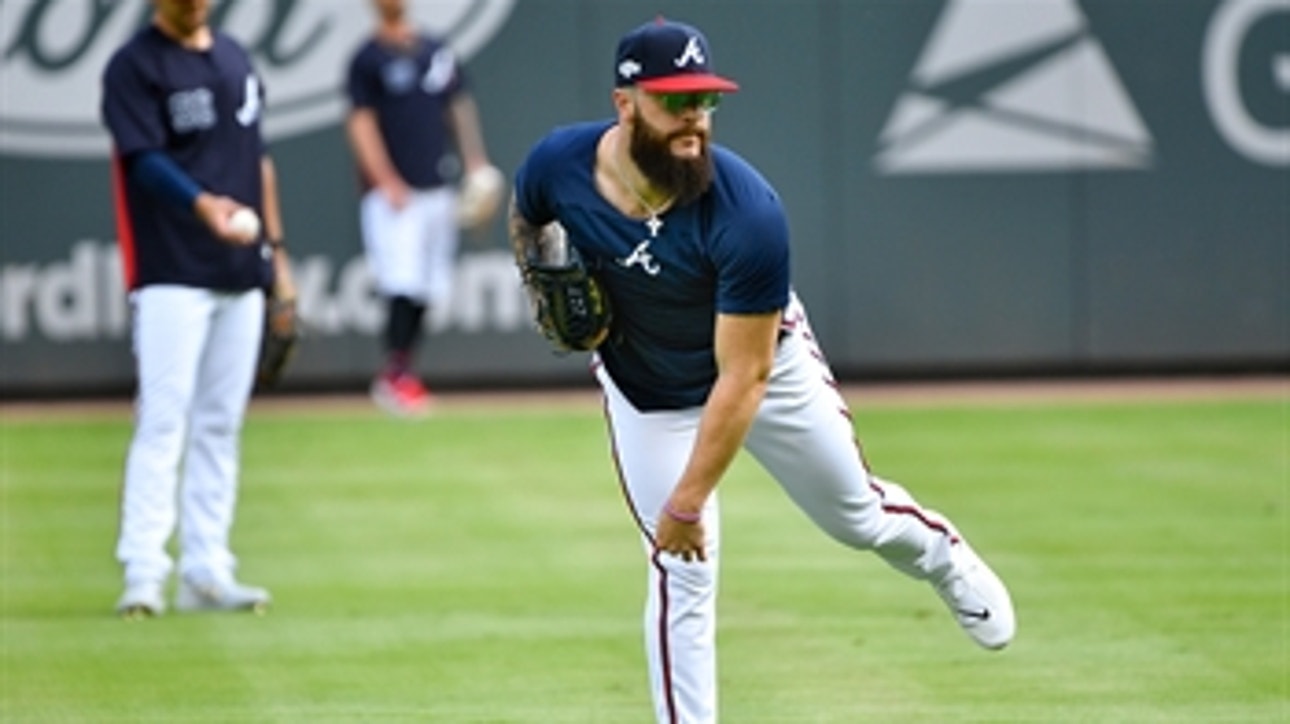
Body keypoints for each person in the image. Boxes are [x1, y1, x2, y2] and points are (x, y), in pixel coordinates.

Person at [508, 18, 1016, 723]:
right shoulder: (556, 165)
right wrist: (539, 274)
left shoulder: (746, 213)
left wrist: (687, 503)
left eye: (705, 101)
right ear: (625, 103)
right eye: (675, 101)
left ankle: (940, 555)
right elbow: (528, 218)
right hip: (646, 390)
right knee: (681, 570)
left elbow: (741, 380)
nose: (695, 120)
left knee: (855, 517)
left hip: (765, 375)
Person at [101, 0, 297, 618]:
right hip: (171, 270)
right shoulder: (134, 66)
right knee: (163, 420)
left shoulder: (235, 57)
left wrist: (278, 257)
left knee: (220, 423)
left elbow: (258, 159)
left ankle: (207, 568)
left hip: (240, 270)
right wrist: (202, 205)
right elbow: (143, 161)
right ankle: (143, 569)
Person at [345, 0, 501, 416]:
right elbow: (360, 123)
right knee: (401, 281)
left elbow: (458, 106)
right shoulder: (367, 58)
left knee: (429, 285)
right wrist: (385, 179)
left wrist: (474, 161)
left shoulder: (434, 49)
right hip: (395, 193)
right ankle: (395, 375)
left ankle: (402, 371)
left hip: (437, 186)